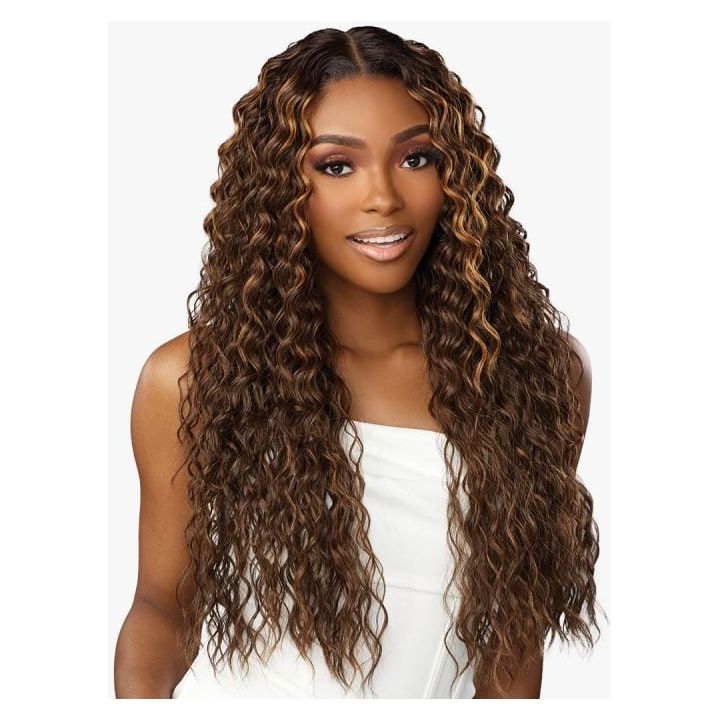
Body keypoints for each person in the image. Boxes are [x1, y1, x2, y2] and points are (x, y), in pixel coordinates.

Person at [114, 25, 603, 699]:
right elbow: (162, 610)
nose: (384, 197)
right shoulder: (193, 378)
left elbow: (513, 638)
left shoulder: (534, 375)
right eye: (337, 166)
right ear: (279, 187)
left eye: (416, 157)